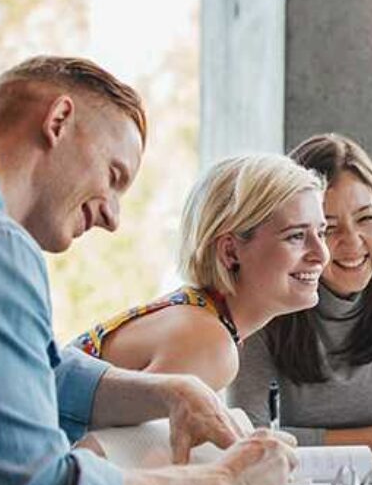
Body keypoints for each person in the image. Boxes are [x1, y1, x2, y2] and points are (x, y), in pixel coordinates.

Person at [0, 56, 298, 485]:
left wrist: (170, 391)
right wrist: (228, 480)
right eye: (114, 176)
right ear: (58, 121)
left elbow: (28, 368)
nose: (113, 218)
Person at [230, 133, 372, 451]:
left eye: (366, 219)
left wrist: (304, 439)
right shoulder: (263, 299)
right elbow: (249, 439)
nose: (352, 242)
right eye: (328, 228)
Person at [73, 153, 329, 391]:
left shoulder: (199, 316)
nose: (322, 254)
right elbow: (106, 440)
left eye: (321, 233)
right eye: (296, 236)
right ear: (230, 252)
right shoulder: (208, 343)